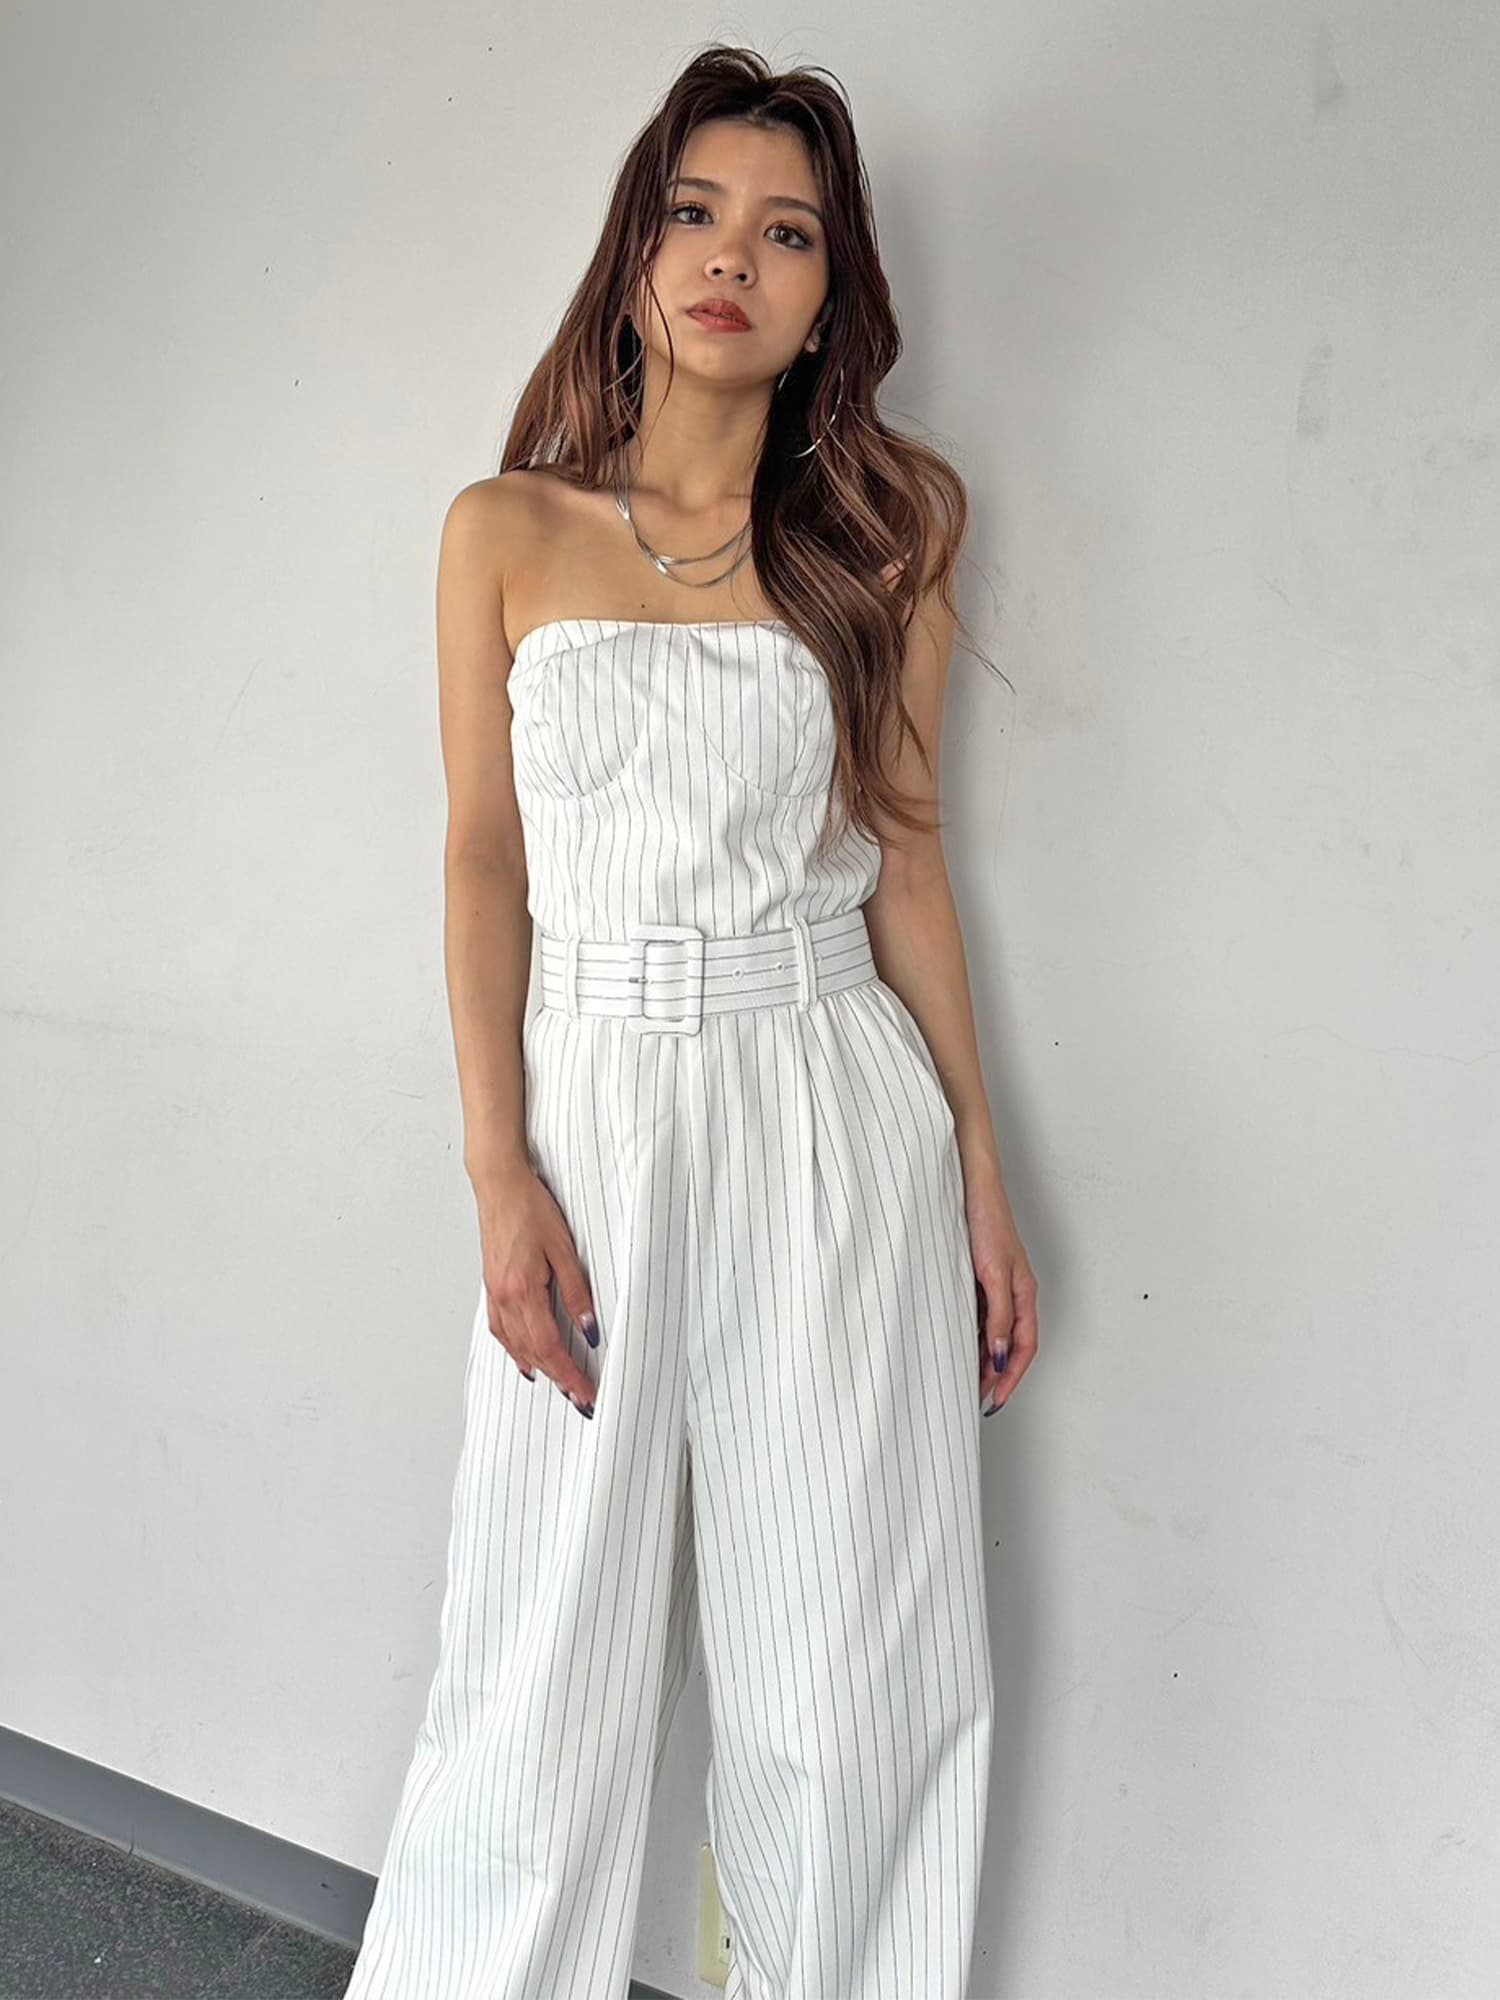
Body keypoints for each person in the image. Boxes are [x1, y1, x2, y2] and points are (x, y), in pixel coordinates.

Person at [342, 42, 1039, 2000]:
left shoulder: (891, 535)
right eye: (697, 210)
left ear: (832, 297)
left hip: (831, 1102)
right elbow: (485, 857)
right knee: (535, 1667)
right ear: (639, 250)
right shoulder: (506, 529)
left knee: (845, 1680)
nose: (733, 255)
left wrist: (982, 1169)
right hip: (591, 1109)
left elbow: (907, 859)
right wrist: (498, 1169)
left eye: (788, 232)